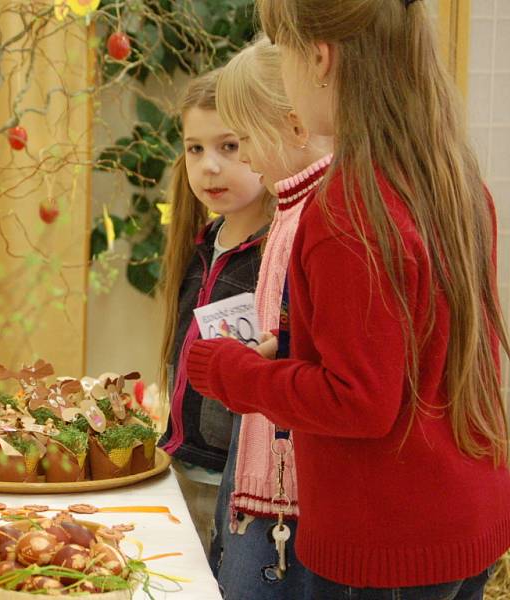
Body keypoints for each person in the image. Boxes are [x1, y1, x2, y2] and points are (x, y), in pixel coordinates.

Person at [187, 1, 510, 597]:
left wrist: (229, 369)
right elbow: (410, 346)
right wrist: (289, 347)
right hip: (468, 518)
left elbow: (357, 400)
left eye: (281, 53)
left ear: (318, 59)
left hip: (388, 543)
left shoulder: (349, 210)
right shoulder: (451, 176)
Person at [208, 34, 334, 599]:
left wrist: (242, 368)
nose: (246, 159)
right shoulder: (290, 208)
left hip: (289, 489)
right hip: (260, 459)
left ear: (296, 127)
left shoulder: (319, 218)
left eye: (241, 142)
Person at [158, 70, 272, 554]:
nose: (209, 167)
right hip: (179, 466)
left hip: (237, 480)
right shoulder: (199, 244)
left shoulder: (275, 254)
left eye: (228, 146)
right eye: (195, 149)